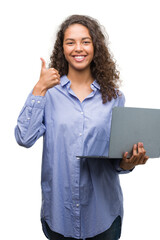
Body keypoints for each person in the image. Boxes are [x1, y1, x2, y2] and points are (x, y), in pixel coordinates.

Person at [14, 15, 149, 240]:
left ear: (95, 47)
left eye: (85, 41)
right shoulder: (48, 94)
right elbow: (24, 138)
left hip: (103, 217)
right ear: (63, 48)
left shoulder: (114, 98)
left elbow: (117, 160)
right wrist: (38, 88)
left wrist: (129, 162)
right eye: (71, 42)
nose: (79, 48)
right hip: (59, 216)